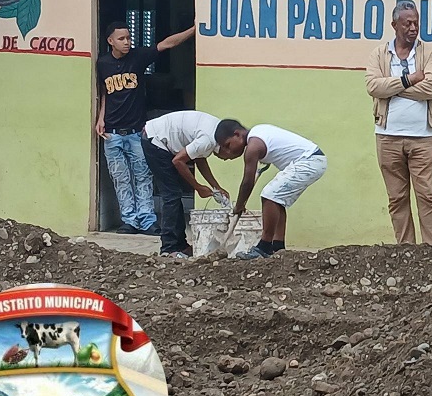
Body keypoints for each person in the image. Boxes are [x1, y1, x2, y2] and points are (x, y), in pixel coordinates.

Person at [95, 21, 195, 235]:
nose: (127, 42)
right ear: (110, 41)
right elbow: (105, 92)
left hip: (136, 132)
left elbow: (166, 44)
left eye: (129, 38)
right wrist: (100, 118)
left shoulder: (138, 57)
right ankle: (129, 221)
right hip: (112, 134)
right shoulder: (102, 63)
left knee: (143, 177)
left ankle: (148, 220)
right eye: (121, 39)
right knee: (120, 178)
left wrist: (194, 29)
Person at [364, 0, 432, 245]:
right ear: (394, 24)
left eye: (416, 22)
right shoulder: (378, 54)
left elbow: (431, 87)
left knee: (427, 195)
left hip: (423, 137)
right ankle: (405, 251)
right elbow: (372, 87)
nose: (413, 27)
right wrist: (410, 80)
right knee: (397, 198)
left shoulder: (430, 53)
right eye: (407, 23)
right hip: (387, 136)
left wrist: (393, 86)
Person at [215, 120, 327, 260]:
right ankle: (278, 247)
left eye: (227, 145)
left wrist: (239, 205)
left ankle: (264, 246)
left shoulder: (253, 147)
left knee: (269, 195)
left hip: (309, 161)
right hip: (315, 159)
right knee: (277, 199)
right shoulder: (258, 133)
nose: (228, 152)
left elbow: (247, 182)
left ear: (237, 134)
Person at [141, 110, 230, 258]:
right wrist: (198, 187)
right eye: (231, 155)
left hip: (161, 138)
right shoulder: (208, 139)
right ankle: (169, 248)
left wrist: (215, 186)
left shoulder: (216, 134)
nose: (228, 159)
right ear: (226, 144)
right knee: (171, 195)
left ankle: (180, 245)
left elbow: (198, 157)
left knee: (175, 195)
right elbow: (178, 161)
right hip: (155, 139)